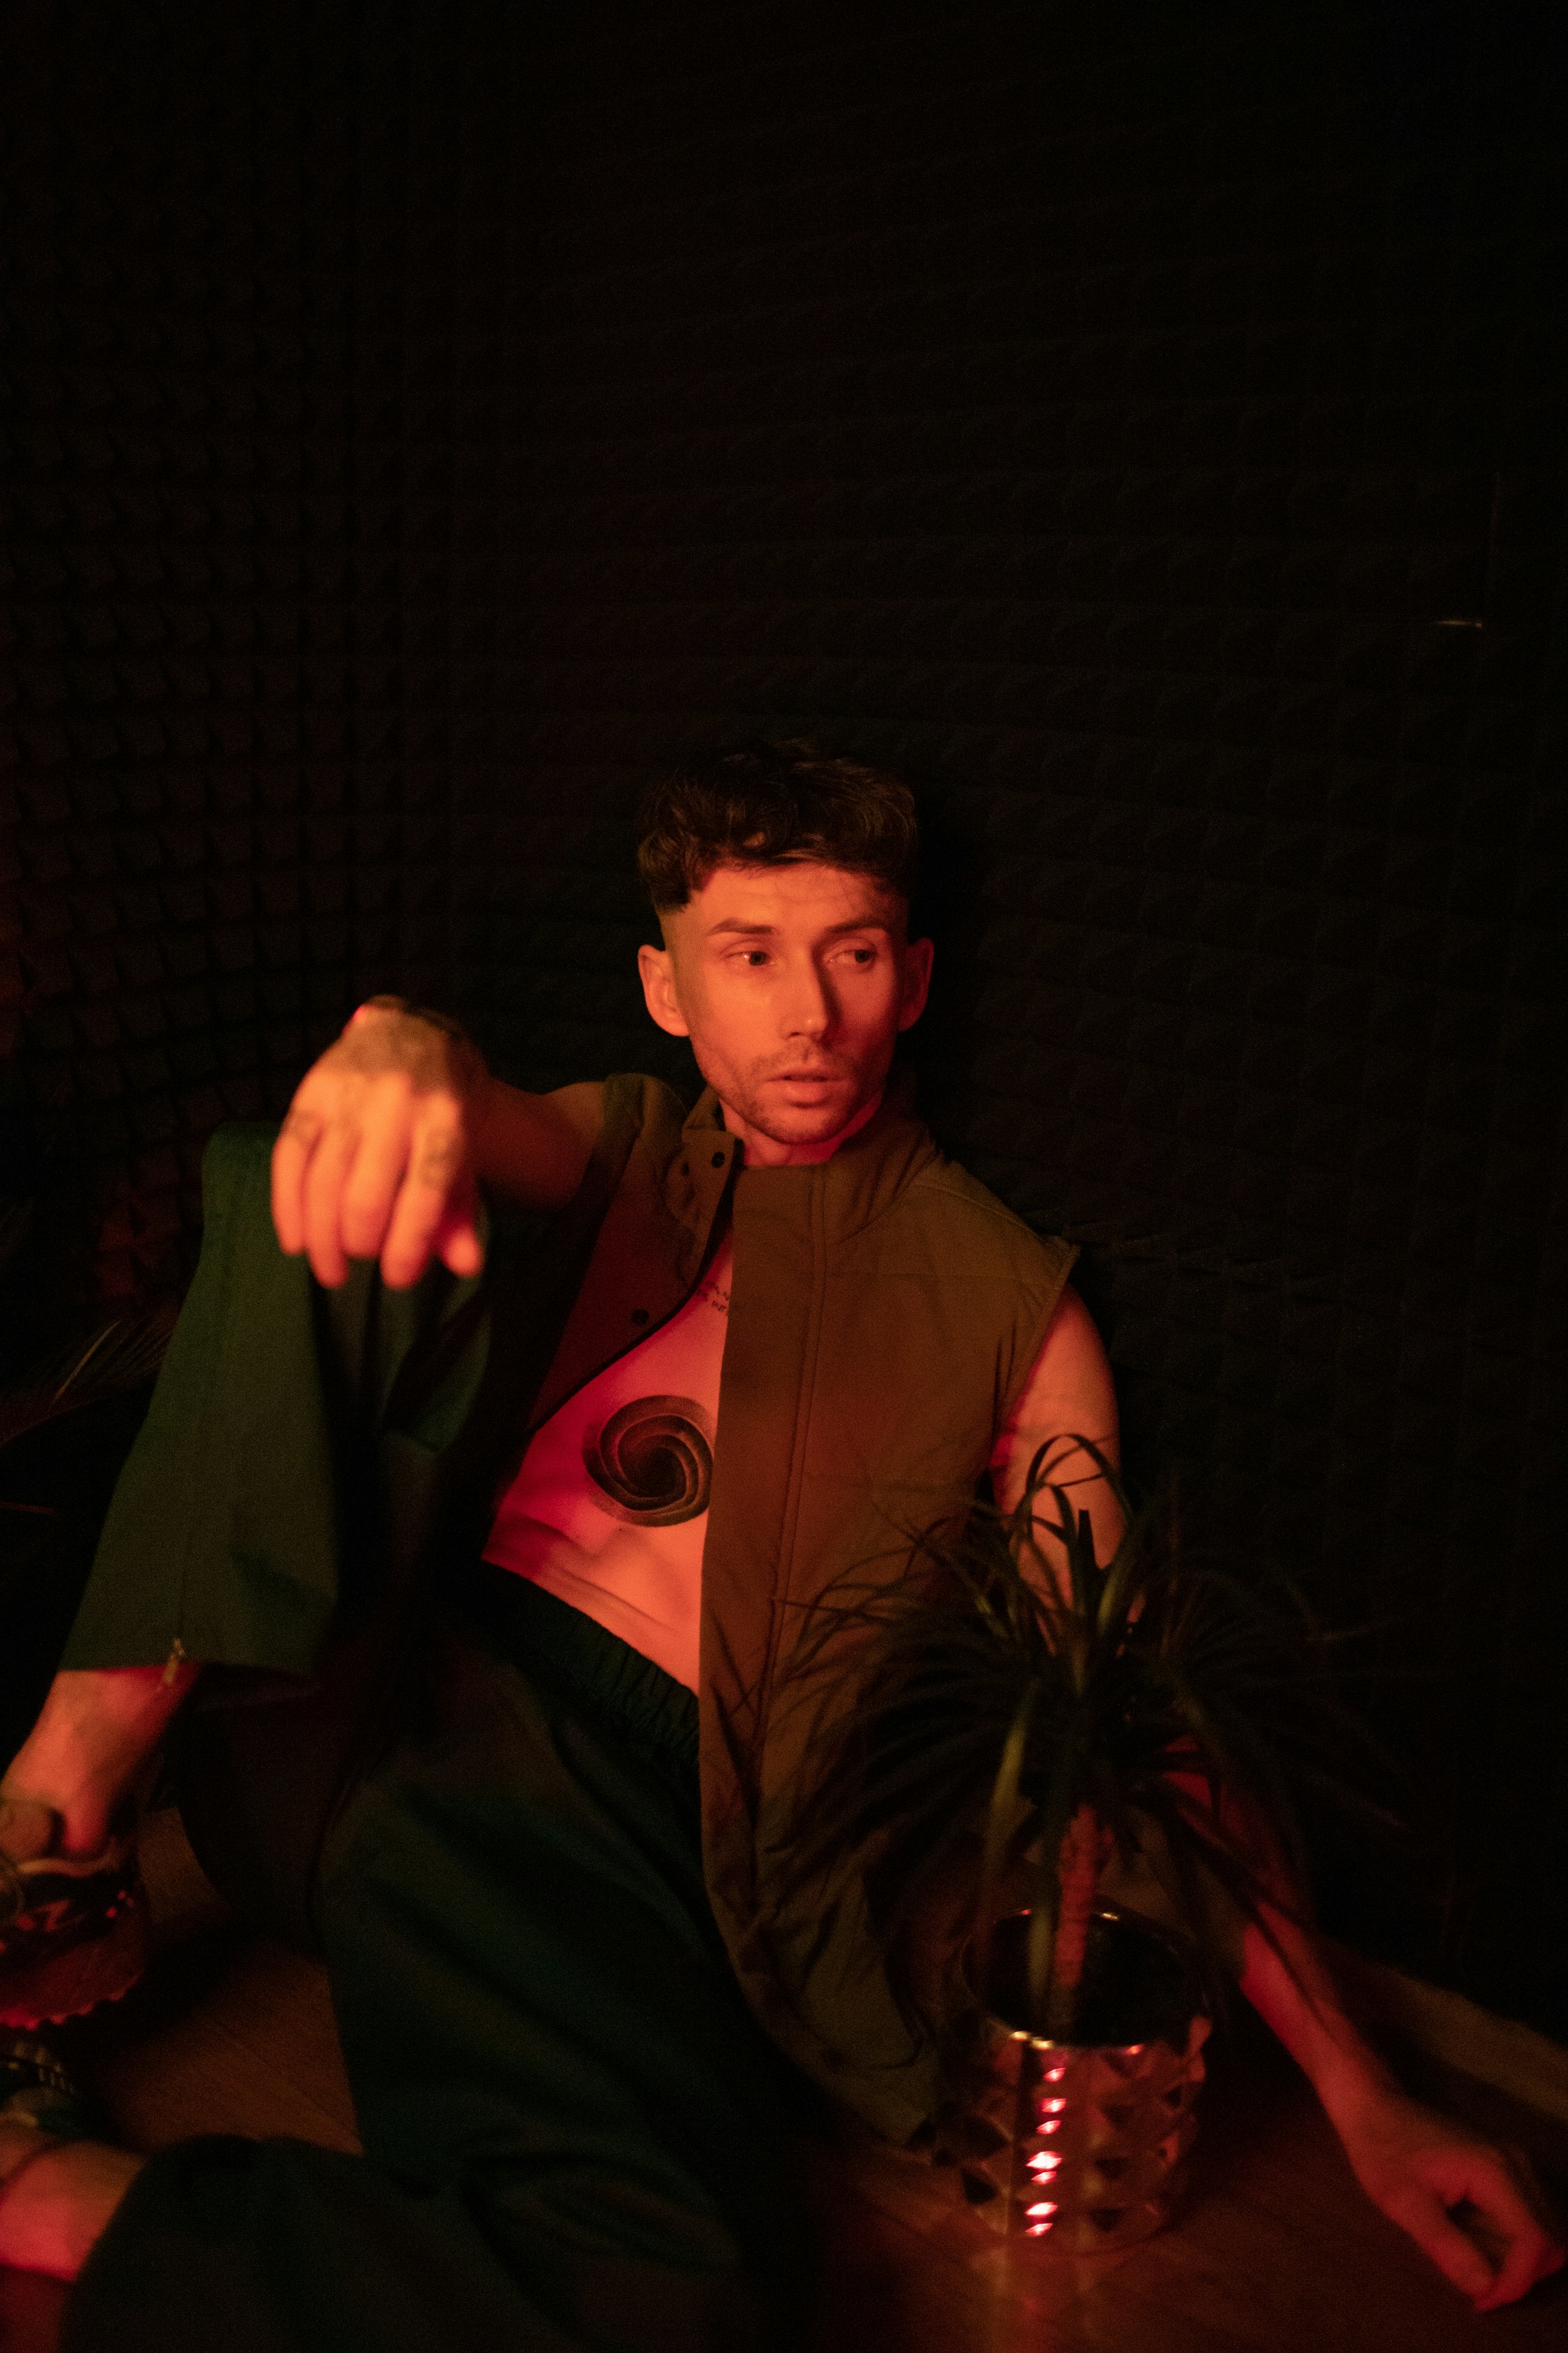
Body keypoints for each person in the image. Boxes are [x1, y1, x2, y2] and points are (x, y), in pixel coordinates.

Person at [0, 746, 1560, 2342]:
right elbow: (476, 1120)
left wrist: (1372, 2099)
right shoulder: (627, 1146)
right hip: (332, 1702)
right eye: (749, 955)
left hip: (611, 1834)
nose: (808, 1012)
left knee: (683, 2297)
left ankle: (54, 2186)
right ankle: (63, 1792)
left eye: (854, 952)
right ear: (666, 988)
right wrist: (402, 1048)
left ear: (916, 978)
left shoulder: (1013, 1305)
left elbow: (1123, 1717)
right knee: (295, 1175)